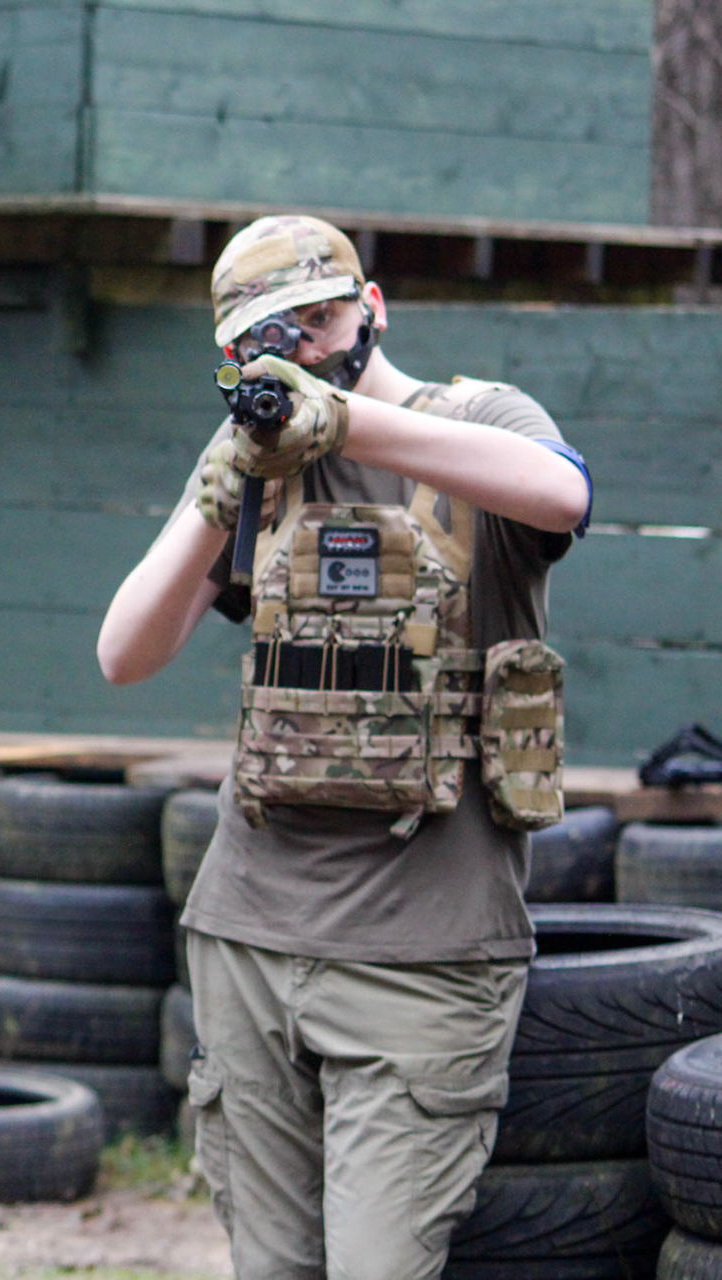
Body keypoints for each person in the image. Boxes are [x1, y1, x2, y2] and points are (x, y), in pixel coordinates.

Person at [96, 215, 592, 1279]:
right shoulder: (258, 466)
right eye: (266, 340)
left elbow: (564, 492)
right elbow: (125, 653)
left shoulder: (479, 419)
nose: (299, 351)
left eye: (314, 322)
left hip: (425, 952)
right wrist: (228, 475)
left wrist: (346, 422)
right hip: (250, 935)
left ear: (371, 308)